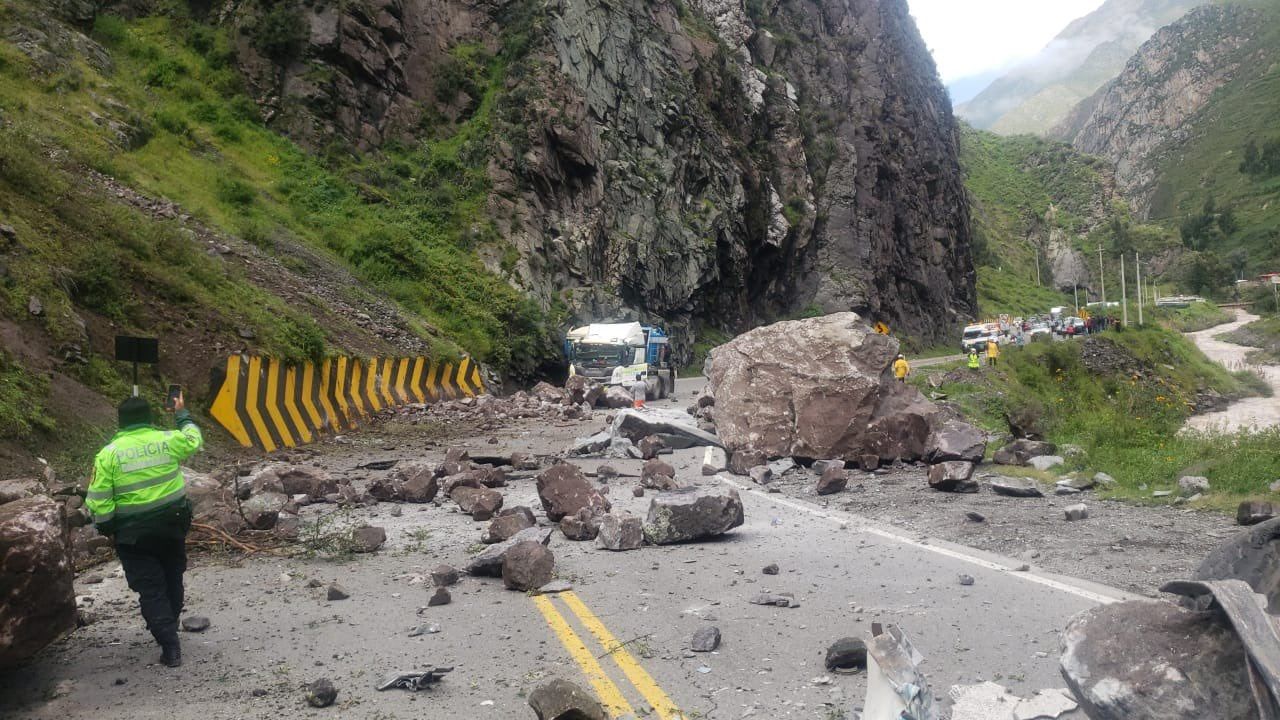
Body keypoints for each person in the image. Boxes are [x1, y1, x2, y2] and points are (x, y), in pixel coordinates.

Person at [86, 392, 203, 668]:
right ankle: (169, 625)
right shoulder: (166, 440)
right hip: (172, 527)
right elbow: (194, 440)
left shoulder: (108, 455)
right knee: (173, 577)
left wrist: (108, 528)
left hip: (133, 535)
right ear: (149, 419)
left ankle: (169, 644)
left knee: (151, 588)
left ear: (120, 423)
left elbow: (99, 501)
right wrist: (181, 414)